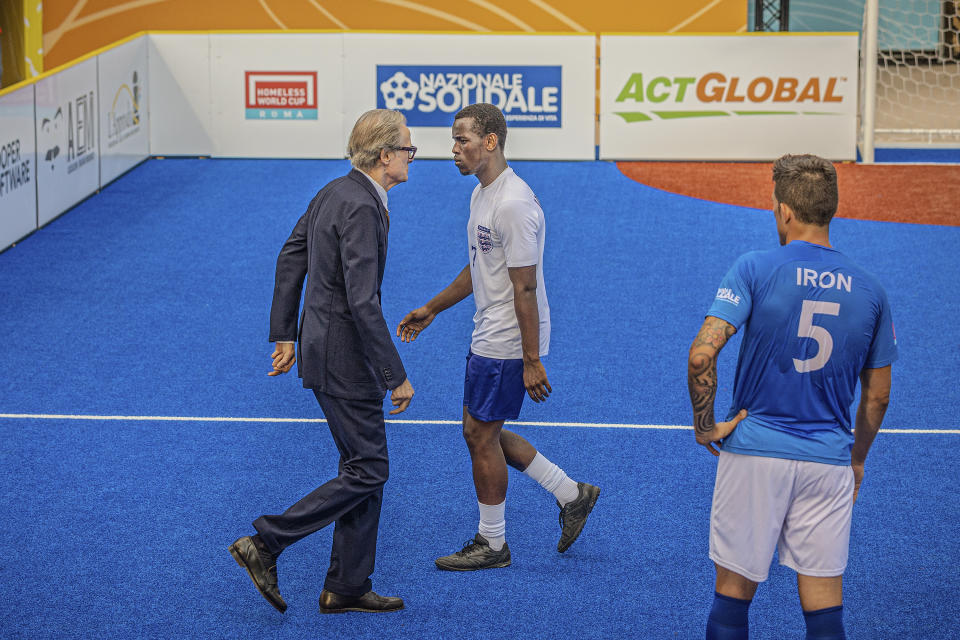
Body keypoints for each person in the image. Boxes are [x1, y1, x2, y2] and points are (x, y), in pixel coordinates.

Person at [687, 154, 897, 639]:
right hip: (828, 460)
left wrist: (706, 427)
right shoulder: (870, 290)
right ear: (831, 209)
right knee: (825, 612)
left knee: (731, 602)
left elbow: (701, 357)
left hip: (755, 455)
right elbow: (878, 398)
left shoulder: (755, 268)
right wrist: (856, 459)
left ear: (784, 210)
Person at [397, 103, 599, 571]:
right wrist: (433, 308)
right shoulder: (482, 194)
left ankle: (493, 544)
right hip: (489, 328)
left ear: (490, 142)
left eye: (462, 140)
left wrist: (531, 360)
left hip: (508, 337)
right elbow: (483, 266)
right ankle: (572, 494)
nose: (453, 150)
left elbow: (524, 285)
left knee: (479, 433)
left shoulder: (513, 204)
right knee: (481, 431)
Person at [229, 109, 416, 615]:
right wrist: (394, 374)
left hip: (323, 348)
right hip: (344, 360)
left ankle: (347, 585)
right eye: (407, 149)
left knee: (362, 465)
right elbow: (362, 301)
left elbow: (292, 254)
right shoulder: (360, 207)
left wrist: (284, 333)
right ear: (384, 156)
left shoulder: (335, 190)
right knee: (371, 467)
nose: (411, 157)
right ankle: (267, 542)